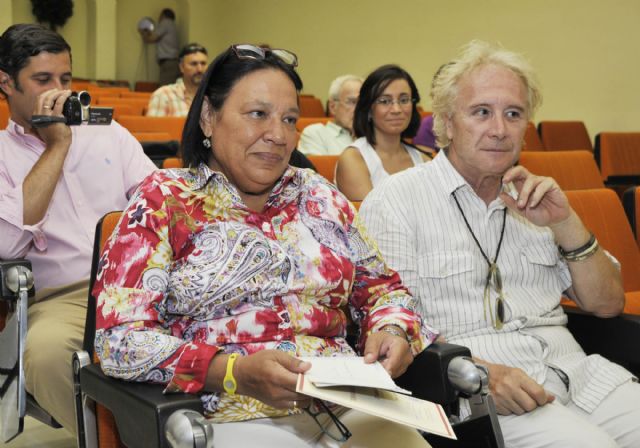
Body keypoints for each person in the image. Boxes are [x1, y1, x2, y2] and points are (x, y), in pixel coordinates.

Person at [92, 44, 437, 447]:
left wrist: (392, 328)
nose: (277, 135)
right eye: (258, 114)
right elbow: (119, 341)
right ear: (208, 117)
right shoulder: (164, 200)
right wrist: (230, 370)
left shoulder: (320, 196)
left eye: (289, 119)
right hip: (221, 414)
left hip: (348, 406)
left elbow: (384, 290)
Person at [360, 40, 640, 448]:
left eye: (513, 114)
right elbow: (391, 327)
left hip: (582, 378)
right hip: (481, 395)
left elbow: (607, 304)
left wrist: (565, 223)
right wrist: (478, 372)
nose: (499, 129)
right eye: (481, 112)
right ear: (446, 122)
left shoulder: (537, 199)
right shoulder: (395, 202)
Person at [0, 24, 156, 435]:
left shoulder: (109, 134)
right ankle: (116, 440)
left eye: (66, 79)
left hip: (139, 282)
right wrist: (57, 146)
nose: (61, 92)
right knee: (47, 356)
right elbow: (9, 242)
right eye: (43, 80)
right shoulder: (1, 154)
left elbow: (158, 202)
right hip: (63, 298)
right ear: (6, 84)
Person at [335, 65, 431, 202]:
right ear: (368, 109)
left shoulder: (423, 160)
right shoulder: (354, 159)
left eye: (404, 100)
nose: (397, 109)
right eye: (385, 101)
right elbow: (372, 219)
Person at [298, 74, 362, 156]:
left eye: (363, 103)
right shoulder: (316, 133)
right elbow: (318, 168)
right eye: (352, 102)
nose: (359, 108)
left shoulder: (373, 135)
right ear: (333, 107)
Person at [147, 43, 208, 117]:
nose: (200, 69)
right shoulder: (163, 95)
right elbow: (154, 128)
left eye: (203, 63)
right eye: (194, 64)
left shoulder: (215, 96)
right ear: (181, 67)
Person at [140, 8, 180, 86]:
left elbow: (152, 38)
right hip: (172, 62)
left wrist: (143, 33)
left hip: (168, 62)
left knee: (164, 87)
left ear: (163, 15)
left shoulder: (166, 23)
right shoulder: (172, 25)